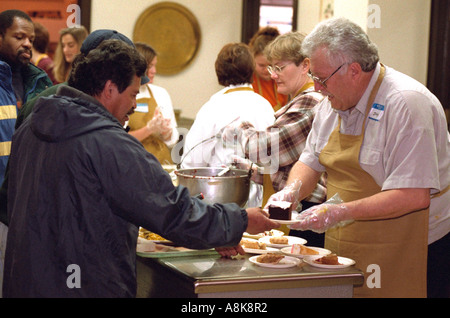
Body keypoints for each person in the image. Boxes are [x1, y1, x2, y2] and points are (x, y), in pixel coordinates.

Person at [2, 39, 279, 297]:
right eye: (133, 93)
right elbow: (171, 211)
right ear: (110, 89)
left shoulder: (31, 127)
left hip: (27, 280)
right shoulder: (109, 143)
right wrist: (239, 221)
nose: (135, 104)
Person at [268, 17, 449, 298]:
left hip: (413, 244)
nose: (316, 88)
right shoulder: (331, 103)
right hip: (348, 239)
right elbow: (310, 161)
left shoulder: (406, 104)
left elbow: (414, 195)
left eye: (321, 78)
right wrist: (291, 192)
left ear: (353, 70)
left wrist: (339, 211)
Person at [223, 32, 326, 246]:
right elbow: (284, 168)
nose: (273, 75)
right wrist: (246, 169)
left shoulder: (310, 102)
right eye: (271, 68)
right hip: (296, 206)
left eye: (279, 68)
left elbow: (266, 150)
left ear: (305, 65)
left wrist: (240, 127)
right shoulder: (300, 100)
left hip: (305, 211)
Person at [181, 43, 275, 207]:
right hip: (260, 200)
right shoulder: (265, 106)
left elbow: (192, 162)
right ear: (251, 70)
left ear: (219, 71)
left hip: (222, 199)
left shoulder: (214, 106)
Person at [0, 9, 53, 298]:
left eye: (30, 39)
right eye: (19, 37)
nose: (27, 44)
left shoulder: (40, 83)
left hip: (33, 210)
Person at [127, 42, 179, 164]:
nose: (154, 71)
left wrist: (166, 132)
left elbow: (172, 140)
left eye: (155, 66)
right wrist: (149, 129)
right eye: (150, 66)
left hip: (161, 163)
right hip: (134, 162)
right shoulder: (123, 94)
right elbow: (118, 140)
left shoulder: (161, 93)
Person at [248, 27, 288, 111]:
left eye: (270, 65)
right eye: (261, 65)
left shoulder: (283, 78)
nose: (266, 70)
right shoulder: (247, 80)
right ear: (252, 59)